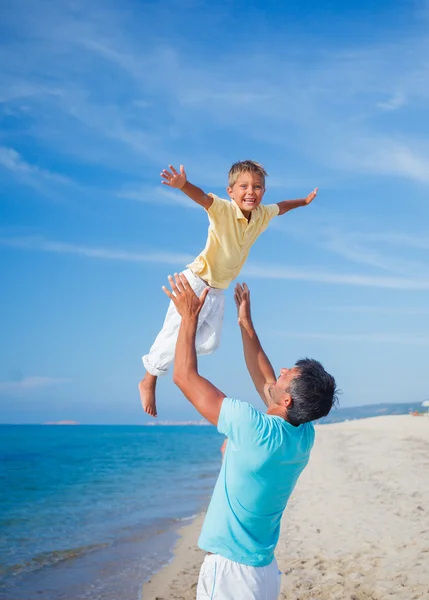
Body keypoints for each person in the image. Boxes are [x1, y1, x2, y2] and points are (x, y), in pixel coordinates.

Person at [162, 273, 338, 600]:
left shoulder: (253, 426)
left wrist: (189, 318)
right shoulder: (302, 435)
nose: (281, 371)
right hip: (263, 571)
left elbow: (184, 377)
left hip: (230, 571)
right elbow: (266, 378)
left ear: (287, 401)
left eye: (288, 375)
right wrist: (245, 323)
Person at [139, 160, 318, 417]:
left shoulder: (262, 215)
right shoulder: (223, 210)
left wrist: (303, 202)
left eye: (257, 187)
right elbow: (202, 198)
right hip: (196, 280)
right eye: (243, 186)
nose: (250, 192)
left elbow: (283, 207)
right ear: (231, 191)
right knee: (173, 334)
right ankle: (149, 379)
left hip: (217, 289)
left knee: (209, 343)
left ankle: (173, 367)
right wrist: (182, 185)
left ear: (264, 192)